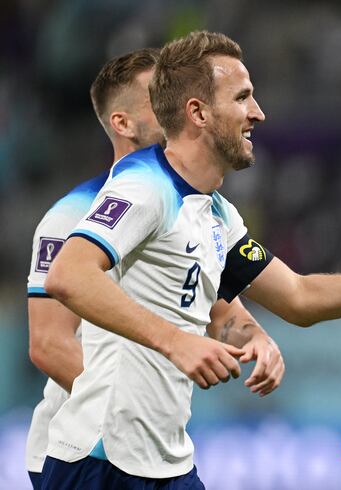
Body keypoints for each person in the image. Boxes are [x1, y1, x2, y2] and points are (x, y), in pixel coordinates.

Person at [41, 31, 341, 488]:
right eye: (243, 97)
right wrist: (177, 341)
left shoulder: (216, 213)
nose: (258, 113)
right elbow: (68, 276)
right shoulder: (145, 186)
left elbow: (299, 297)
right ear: (198, 112)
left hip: (164, 461)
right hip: (99, 461)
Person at [25, 48, 285, 489]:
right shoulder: (73, 214)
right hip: (88, 449)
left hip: (155, 451)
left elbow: (219, 310)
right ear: (122, 123)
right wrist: (135, 403)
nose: (173, 105)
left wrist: (254, 336)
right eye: (157, 96)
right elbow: (48, 344)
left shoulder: (192, 205)